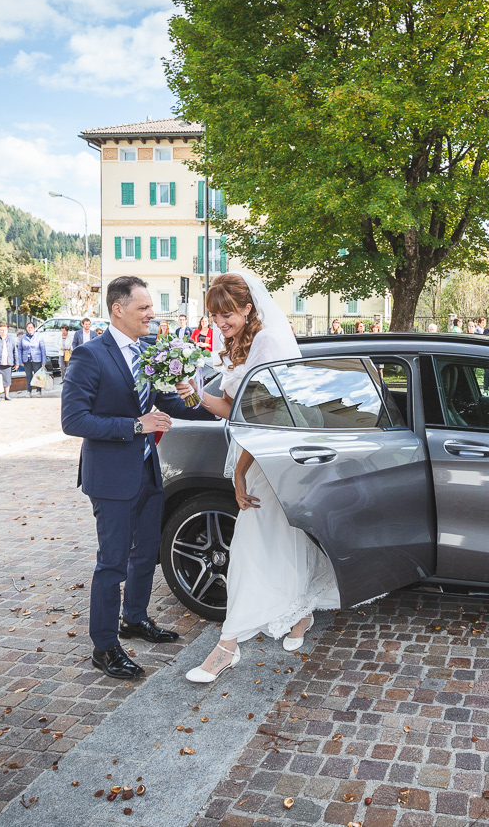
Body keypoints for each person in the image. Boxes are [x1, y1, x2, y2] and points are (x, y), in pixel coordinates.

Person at [179, 272, 341, 683]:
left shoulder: (267, 341)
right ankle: (301, 612)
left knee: (252, 545)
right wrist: (195, 392)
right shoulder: (235, 344)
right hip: (252, 452)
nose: (220, 323)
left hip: (268, 457)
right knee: (281, 540)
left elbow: (269, 417)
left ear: (248, 308)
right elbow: (231, 408)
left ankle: (227, 647)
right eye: (215, 316)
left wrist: (239, 472)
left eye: (227, 314)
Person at [61, 276, 217, 679]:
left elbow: (165, 403)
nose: (152, 314)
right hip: (111, 477)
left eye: (151, 307)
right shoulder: (89, 356)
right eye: (143, 307)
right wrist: (135, 426)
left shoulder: (148, 351)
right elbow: (74, 420)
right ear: (118, 309)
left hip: (148, 470)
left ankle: (134, 618)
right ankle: (104, 647)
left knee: (146, 552)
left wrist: (206, 402)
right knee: (112, 563)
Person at [0, 322, 20, 401]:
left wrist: (16, 362)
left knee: (7, 380)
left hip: (8, 363)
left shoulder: (11, 339)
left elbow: (15, 351)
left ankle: (7, 395)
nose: (3, 331)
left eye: (5, 330)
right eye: (2, 330)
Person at [18, 321, 48, 397]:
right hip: (26, 360)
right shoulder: (23, 337)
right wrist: (20, 360)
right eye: (28, 327)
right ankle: (29, 391)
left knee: (38, 376)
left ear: (34, 328)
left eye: (31, 327)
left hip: (37, 359)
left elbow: (43, 349)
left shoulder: (39, 337)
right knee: (28, 376)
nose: (30, 329)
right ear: (26, 328)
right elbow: (19, 349)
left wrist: (43, 361)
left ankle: (38, 391)